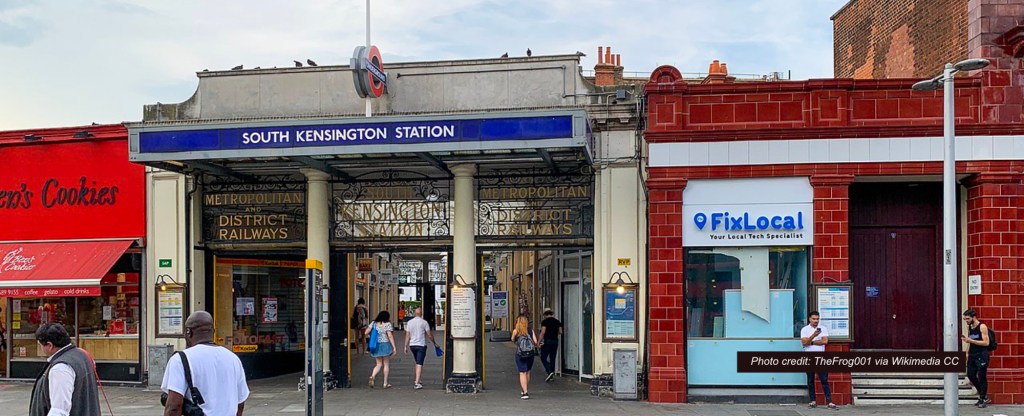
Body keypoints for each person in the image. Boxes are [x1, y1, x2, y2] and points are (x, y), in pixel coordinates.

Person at [162, 311, 249, 416]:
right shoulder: (233, 359)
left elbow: (174, 407)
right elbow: (240, 403)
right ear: (213, 331)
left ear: (188, 332)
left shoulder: (180, 359)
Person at [29, 322, 100, 416]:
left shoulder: (60, 368)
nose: (41, 348)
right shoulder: (82, 354)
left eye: (40, 345)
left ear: (50, 345)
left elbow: (59, 410)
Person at [800, 311, 837, 410]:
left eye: (817, 319)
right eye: (814, 319)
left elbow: (825, 341)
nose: (816, 321)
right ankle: (813, 401)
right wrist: (814, 335)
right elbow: (804, 343)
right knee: (810, 380)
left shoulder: (823, 328)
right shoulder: (805, 329)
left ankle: (829, 401)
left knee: (824, 380)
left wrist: (810, 342)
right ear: (809, 319)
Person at [961, 309, 991, 408]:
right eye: (965, 319)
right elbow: (970, 340)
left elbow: (986, 343)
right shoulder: (970, 327)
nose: (966, 321)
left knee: (982, 376)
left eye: (968, 319)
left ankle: (982, 398)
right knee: (970, 374)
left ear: (974, 317)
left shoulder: (982, 327)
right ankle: (983, 395)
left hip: (981, 354)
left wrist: (971, 340)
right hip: (972, 355)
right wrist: (967, 352)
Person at [403, 307, 437, 389]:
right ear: (421, 314)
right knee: (419, 363)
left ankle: (418, 379)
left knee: (417, 361)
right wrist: (434, 343)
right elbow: (429, 334)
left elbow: (407, 334)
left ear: (414, 313)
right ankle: (417, 382)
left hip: (412, 345)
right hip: (421, 345)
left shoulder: (410, 322)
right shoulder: (424, 322)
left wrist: (405, 345)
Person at [366, 310, 397, 389]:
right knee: (386, 364)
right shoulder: (387, 324)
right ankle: (385, 383)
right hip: (385, 345)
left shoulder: (373, 323)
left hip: (376, 345)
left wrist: (371, 336)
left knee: (378, 364)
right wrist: (394, 347)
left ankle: (372, 376)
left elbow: (366, 332)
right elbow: (390, 336)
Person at [511, 314, 539, 400]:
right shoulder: (530, 330)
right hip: (530, 354)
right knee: (527, 372)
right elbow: (535, 341)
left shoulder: (516, 331)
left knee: (522, 372)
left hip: (520, 354)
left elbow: (512, 339)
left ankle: (525, 392)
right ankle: (525, 389)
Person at [539, 309, 562, 382]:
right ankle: (551, 374)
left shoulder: (545, 322)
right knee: (553, 357)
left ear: (545, 315)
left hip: (547, 341)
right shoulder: (557, 322)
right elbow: (561, 332)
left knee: (543, 357)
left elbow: (543, 332)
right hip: (555, 341)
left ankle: (549, 371)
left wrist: (538, 342)